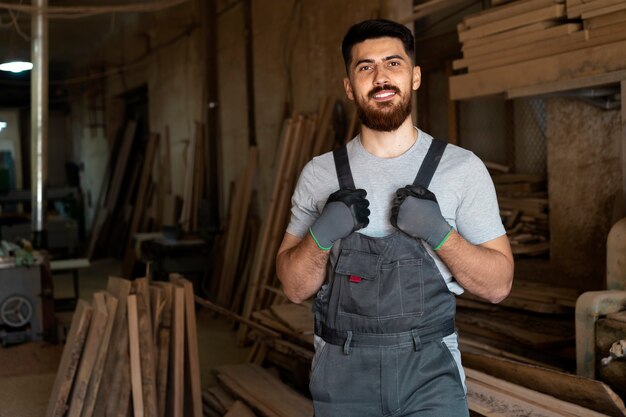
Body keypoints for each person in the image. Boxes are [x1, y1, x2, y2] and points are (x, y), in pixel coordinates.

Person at [276, 18, 514, 417]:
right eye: (365, 67)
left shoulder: (461, 168)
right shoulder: (320, 174)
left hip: (428, 377)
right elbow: (294, 288)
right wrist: (321, 235)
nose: (381, 77)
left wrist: (440, 234)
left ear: (415, 76)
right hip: (343, 377)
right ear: (350, 86)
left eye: (393, 63)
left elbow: (499, 285)